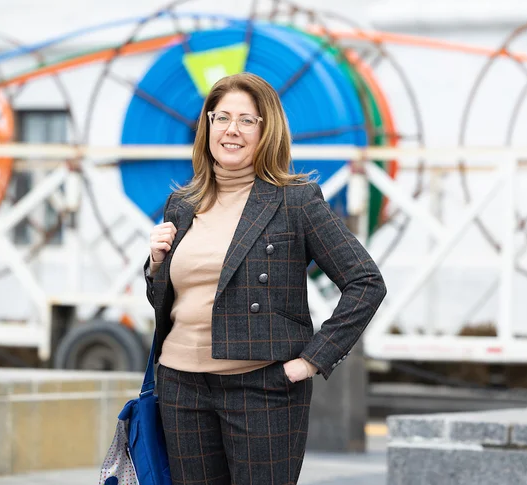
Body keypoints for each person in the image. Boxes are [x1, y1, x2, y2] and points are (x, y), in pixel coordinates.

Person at [143, 72, 387, 485]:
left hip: (263, 390)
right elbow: (169, 301)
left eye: (246, 120)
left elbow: (365, 282)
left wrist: (310, 361)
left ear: (265, 130)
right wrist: (154, 263)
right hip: (181, 388)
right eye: (221, 118)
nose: (231, 130)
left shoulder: (296, 200)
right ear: (207, 127)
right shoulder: (181, 204)